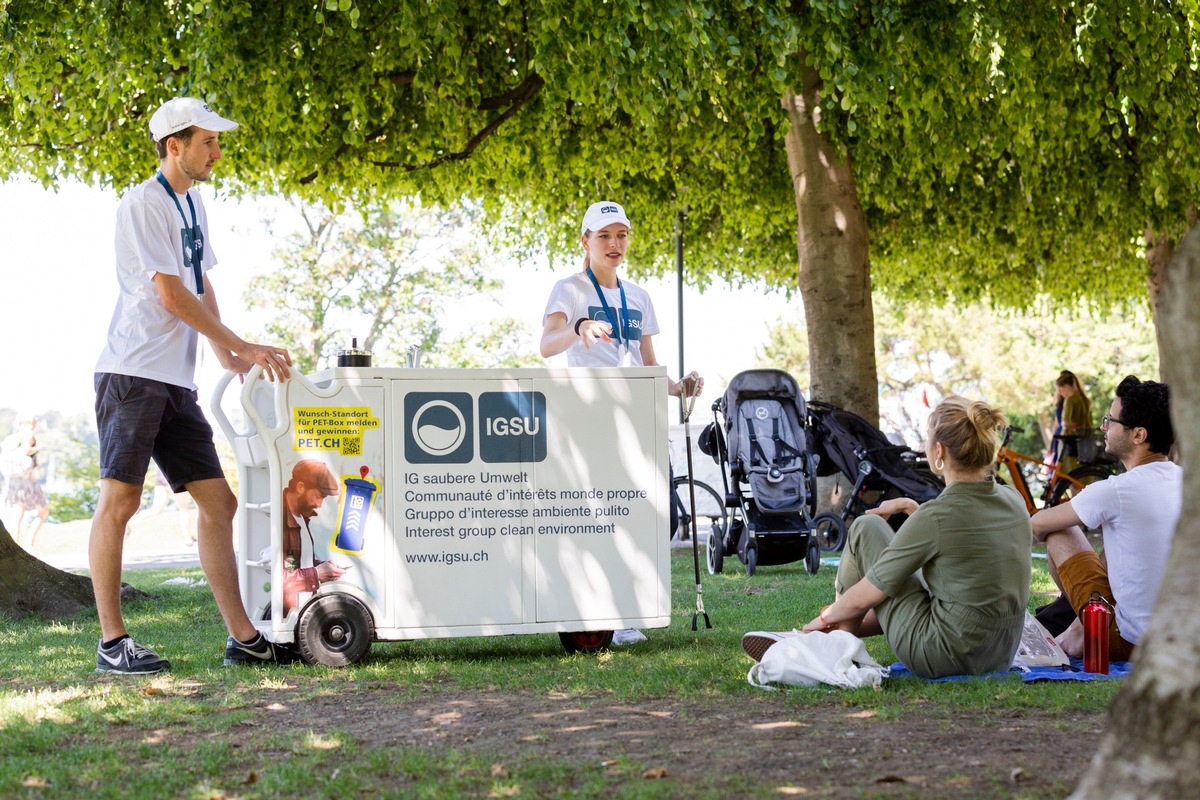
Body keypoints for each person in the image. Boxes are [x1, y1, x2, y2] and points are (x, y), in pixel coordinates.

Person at [90, 96, 295, 674]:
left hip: (175, 381)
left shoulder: (193, 204)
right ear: (173, 145)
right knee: (121, 500)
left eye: (217, 141)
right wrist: (245, 344)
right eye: (208, 142)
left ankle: (243, 638)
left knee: (218, 502)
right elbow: (169, 295)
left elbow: (199, 281)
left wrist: (226, 351)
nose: (217, 152)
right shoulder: (143, 203)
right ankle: (112, 644)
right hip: (131, 373)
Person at [743, 396, 1032, 679]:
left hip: (944, 654)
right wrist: (914, 511)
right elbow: (961, 554)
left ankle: (823, 644)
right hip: (999, 652)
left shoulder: (937, 516)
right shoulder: (1013, 499)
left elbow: (864, 595)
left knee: (866, 527)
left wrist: (812, 625)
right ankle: (834, 640)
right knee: (879, 577)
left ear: (940, 450)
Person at [540, 200, 703, 646]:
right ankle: (610, 615)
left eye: (622, 235)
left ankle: (623, 608)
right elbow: (546, 345)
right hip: (589, 420)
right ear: (585, 241)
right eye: (605, 236)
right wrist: (579, 328)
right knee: (602, 516)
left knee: (658, 513)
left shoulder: (639, 297)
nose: (615, 244)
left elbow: (647, 364)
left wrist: (678, 386)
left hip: (639, 420)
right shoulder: (570, 289)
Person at [1031, 375, 1180, 661]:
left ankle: (1082, 630)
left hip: (1131, 642)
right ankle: (1077, 626)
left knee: (1061, 530)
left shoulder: (1115, 490)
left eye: (1111, 421)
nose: (1104, 427)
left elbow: (1039, 524)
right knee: (1116, 545)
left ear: (1139, 435)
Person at [281, 460, 349, 614]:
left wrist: (324, 567)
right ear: (300, 487)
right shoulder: (278, 520)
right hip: (288, 615)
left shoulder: (301, 517)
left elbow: (297, 563)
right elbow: (280, 579)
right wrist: (317, 573)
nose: (319, 504)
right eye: (319, 496)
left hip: (303, 612)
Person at [2, 415, 50, 551]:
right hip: (27, 482)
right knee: (43, 511)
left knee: (18, 514)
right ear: (34, 423)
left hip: (14, 481)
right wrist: (37, 448)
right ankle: (27, 544)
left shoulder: (12, 438)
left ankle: (14, 547)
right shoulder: (29, 435)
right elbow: (25, 451)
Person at [1052, 370, 1093, 473]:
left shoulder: (1069, 400)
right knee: (1082, 475)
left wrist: (1066, 425)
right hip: (1084, 441)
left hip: (1069, 442)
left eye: (1060, 390)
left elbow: (1065, 423)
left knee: (1069, 474)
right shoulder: (1085, 400)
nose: (1060, 394)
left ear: (1066, 386)